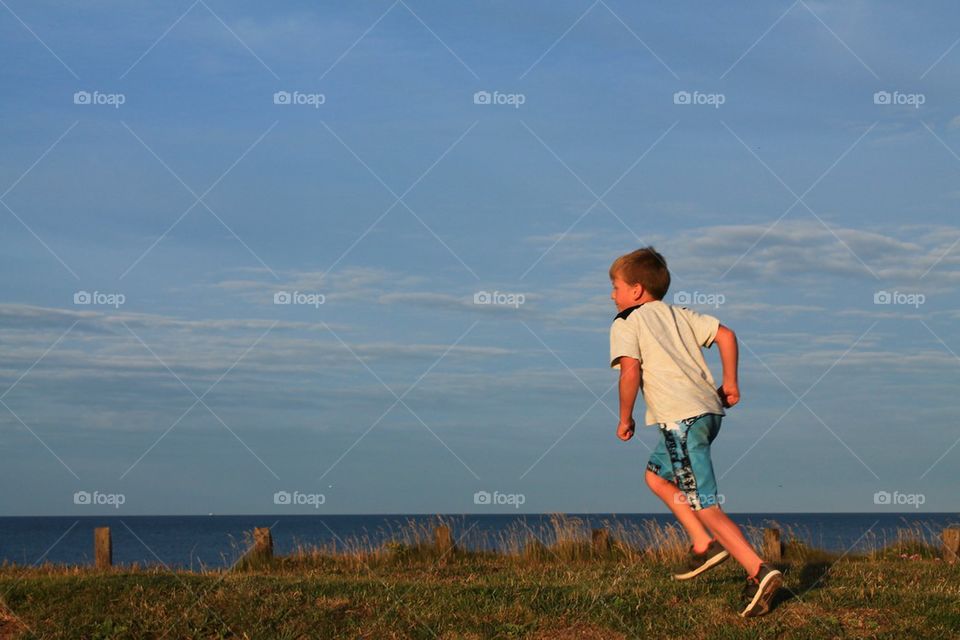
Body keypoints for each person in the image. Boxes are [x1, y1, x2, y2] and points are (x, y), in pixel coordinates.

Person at [608, 246, 782, 617]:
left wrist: (626, 418)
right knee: (656, 477)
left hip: (680, 421)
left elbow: (630, 372)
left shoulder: (626, 322)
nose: (612, 295)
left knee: (705, 503)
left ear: (636, 290)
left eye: (616, 287)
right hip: (707, 414)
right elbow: (727, 335)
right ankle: (704, 542)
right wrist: (730, 383)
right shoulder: (678, 315)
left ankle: (758, 570)